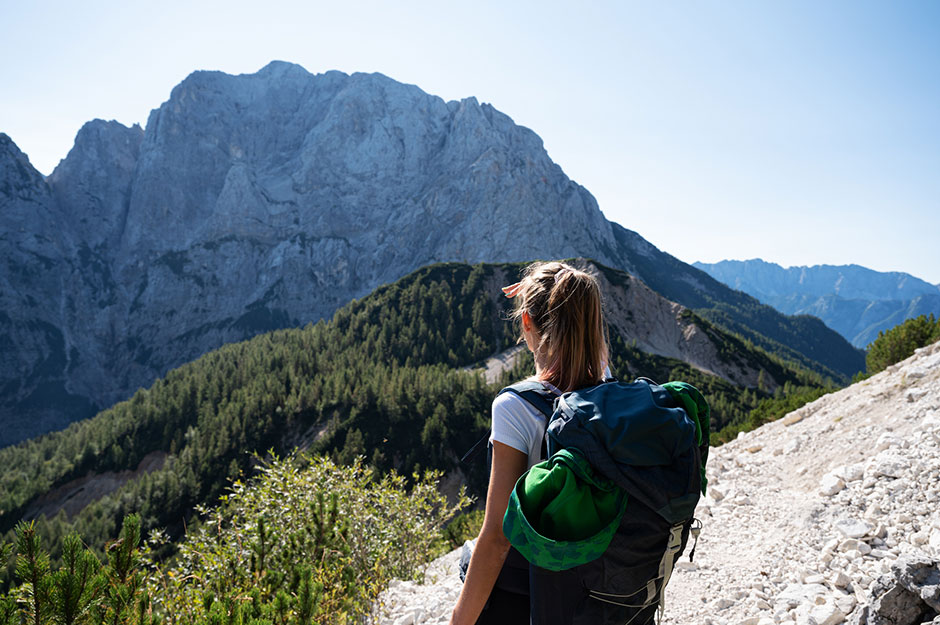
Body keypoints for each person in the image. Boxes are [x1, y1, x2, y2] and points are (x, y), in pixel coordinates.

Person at [449, 261, 609, 625]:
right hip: (601, 583)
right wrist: (558, 291)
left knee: (470, 558)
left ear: (526, 323)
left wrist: (458, 621)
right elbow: (592, 344)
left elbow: (497, 539)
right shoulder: (606, 387)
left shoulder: (515, 407)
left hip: (539, 592)